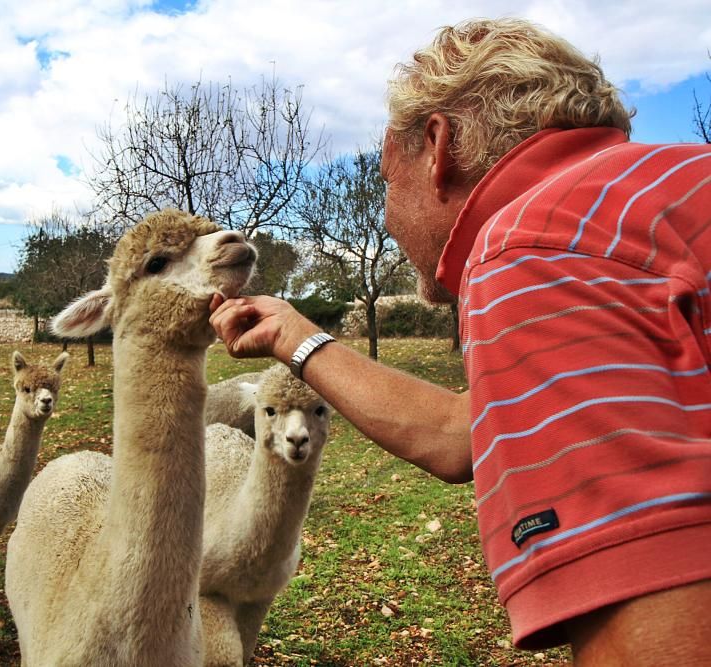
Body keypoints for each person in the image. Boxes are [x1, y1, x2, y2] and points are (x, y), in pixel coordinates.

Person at [209, 17, 711, 665]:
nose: (387, 214)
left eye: (387, 179)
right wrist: (294, 334)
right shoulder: (644, 205)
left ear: (438, 146)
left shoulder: (528, 245)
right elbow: (464, 431)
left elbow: (658, 629)